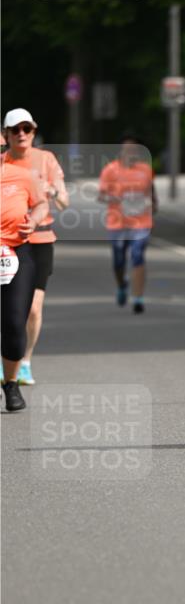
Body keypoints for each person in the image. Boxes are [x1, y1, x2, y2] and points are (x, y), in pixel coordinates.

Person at [1, 108, 68, 385]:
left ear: (34, 132)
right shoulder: (3, 163)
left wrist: (51, 192)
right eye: (15, 130)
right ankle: (9, 355)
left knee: (33, 309)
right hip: (9, 244)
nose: (21, 134)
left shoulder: (46, 160)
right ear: (6, 135)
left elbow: (64, 200)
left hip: (40, 240)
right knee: (9, 310)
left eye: (26, 129)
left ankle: (24, 362)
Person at [1, 140, 48, 411]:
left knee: (14, 321)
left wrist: (34, 219)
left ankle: (10, 383)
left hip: (15, 254)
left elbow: (41, 203)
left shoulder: (22, 174)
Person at [97, 133, 157, 314]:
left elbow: (152, 192)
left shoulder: (146, 169)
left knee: (138, 255)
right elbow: (101, 195)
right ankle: (122, 285)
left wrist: (154, 204)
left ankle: (138, 298)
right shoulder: (110, 170)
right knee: (118, 261)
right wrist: (115, 197)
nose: (130, 152)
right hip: (118, 223)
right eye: (126, 148)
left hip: (141, 221)